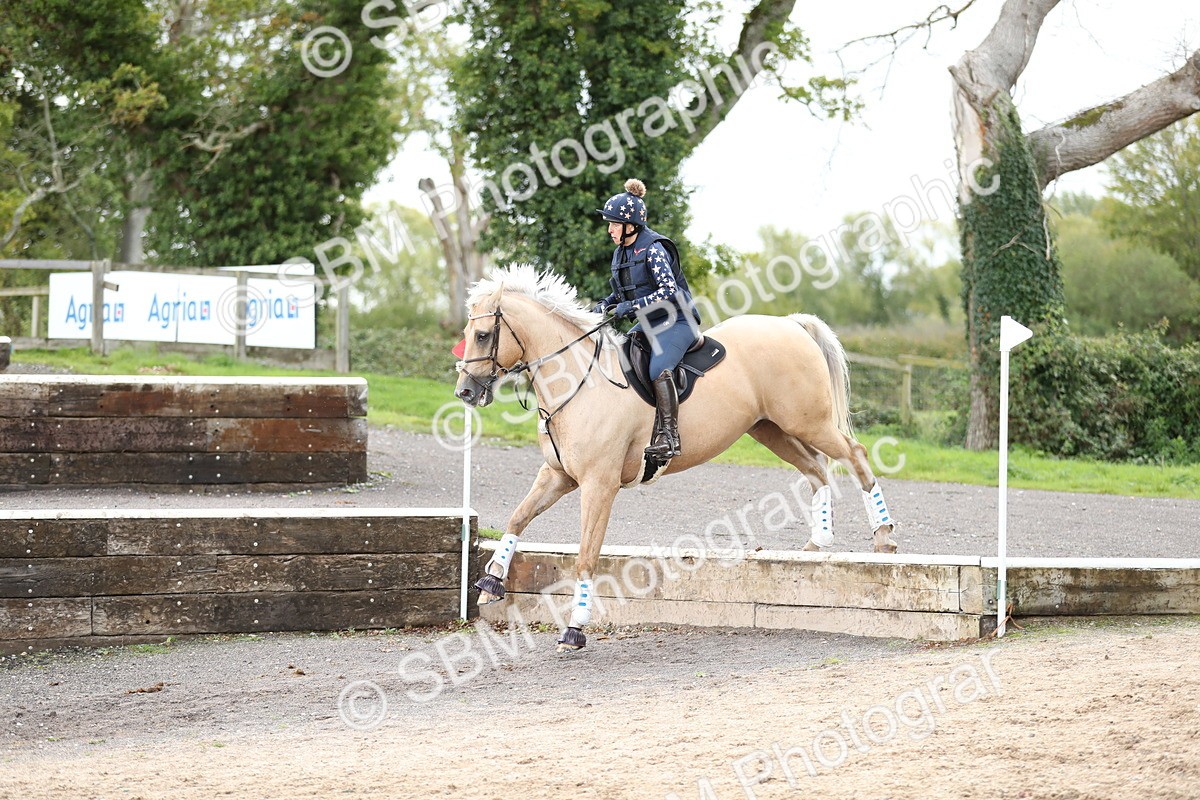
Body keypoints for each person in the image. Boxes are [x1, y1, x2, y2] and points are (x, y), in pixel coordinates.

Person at [593, 178, 701, 459]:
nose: (609, 229)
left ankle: (669, 438)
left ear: (631, 226)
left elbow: (668, 291)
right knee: (623, 356)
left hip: (677, 319)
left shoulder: (653, 248)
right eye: (610, 223)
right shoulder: (621, 253)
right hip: (652, 322)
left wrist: (630, 307)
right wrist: (605, 304)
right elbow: (621, 293)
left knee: (658, 369)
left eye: (614, 224)